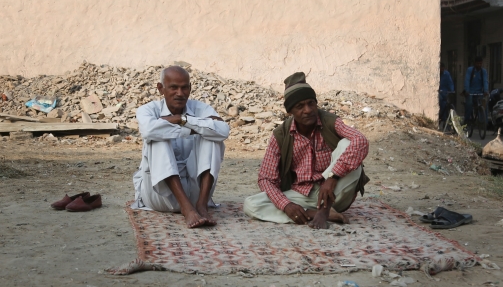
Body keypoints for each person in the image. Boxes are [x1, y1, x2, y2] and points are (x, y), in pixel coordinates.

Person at [243, 72, 370, 229]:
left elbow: (361, 140)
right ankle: (310, 213)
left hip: (335, 190)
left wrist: (331, 178)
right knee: (251, 204)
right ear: (290, 111)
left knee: (347, 143)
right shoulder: (281, 135)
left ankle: (325, 209)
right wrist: (286, 205)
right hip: (301, 195)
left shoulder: (330, 122)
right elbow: (266, 178)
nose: (308, 110)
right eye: (300, 106)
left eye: (311, 103)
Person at [132, 66, 230, 228]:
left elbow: (223, 130)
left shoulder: (200, 108)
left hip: (195, 192)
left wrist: (181, 119)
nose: (180, 93)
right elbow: (149, 130)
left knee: (212, 137)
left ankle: (202, 205)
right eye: (173, 88)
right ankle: (186, 208)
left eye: (184, 87)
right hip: (158, 195)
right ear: (160, 88)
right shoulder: (148, 109)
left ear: (190, 88)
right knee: (158, 138)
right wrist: (197, 126)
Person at [463, 56, 489, 124]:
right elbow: (467, 80)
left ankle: (484, 122)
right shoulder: (470, 70)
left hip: (479, 92)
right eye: (477, 63)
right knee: (469, 104)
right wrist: (467, 90)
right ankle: (467, 119)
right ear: (474, 63)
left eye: (480, 63)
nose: (479, 65)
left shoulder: (483, 71)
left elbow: (485, 81)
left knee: (484, 104)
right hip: (470, 92)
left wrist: (486, 91)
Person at [438, 63, 454, 128]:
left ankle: (447, 119)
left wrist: (452, 90)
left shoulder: (446, 74)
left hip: (445, 92)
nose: (442, 70)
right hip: (439, 92)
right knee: (441, 100)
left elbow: (450, 83)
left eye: (443, 68)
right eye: (440, 68)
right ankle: (442, 117)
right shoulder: (436, 73)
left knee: (447, 103)